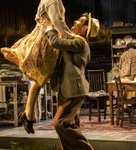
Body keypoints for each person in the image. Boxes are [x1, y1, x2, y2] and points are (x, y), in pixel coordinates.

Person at [1, 0, 75, 134]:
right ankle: (61, 115)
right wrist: (71, 37)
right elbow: (58, 22)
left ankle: (29, 114)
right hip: (46, 40)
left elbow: (42, 18)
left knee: (40, 78)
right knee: (45, 76)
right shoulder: (52, 0)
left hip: (44, 37)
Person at [43, 12, 100, 150]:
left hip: (74, 89)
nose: (74, 22)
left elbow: (56, 42)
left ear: (85, 28)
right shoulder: (74, 41)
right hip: (67, 88)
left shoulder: (80, 41)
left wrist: (49, 28)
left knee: (60, 123)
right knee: (69, 125)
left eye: (79, 22)